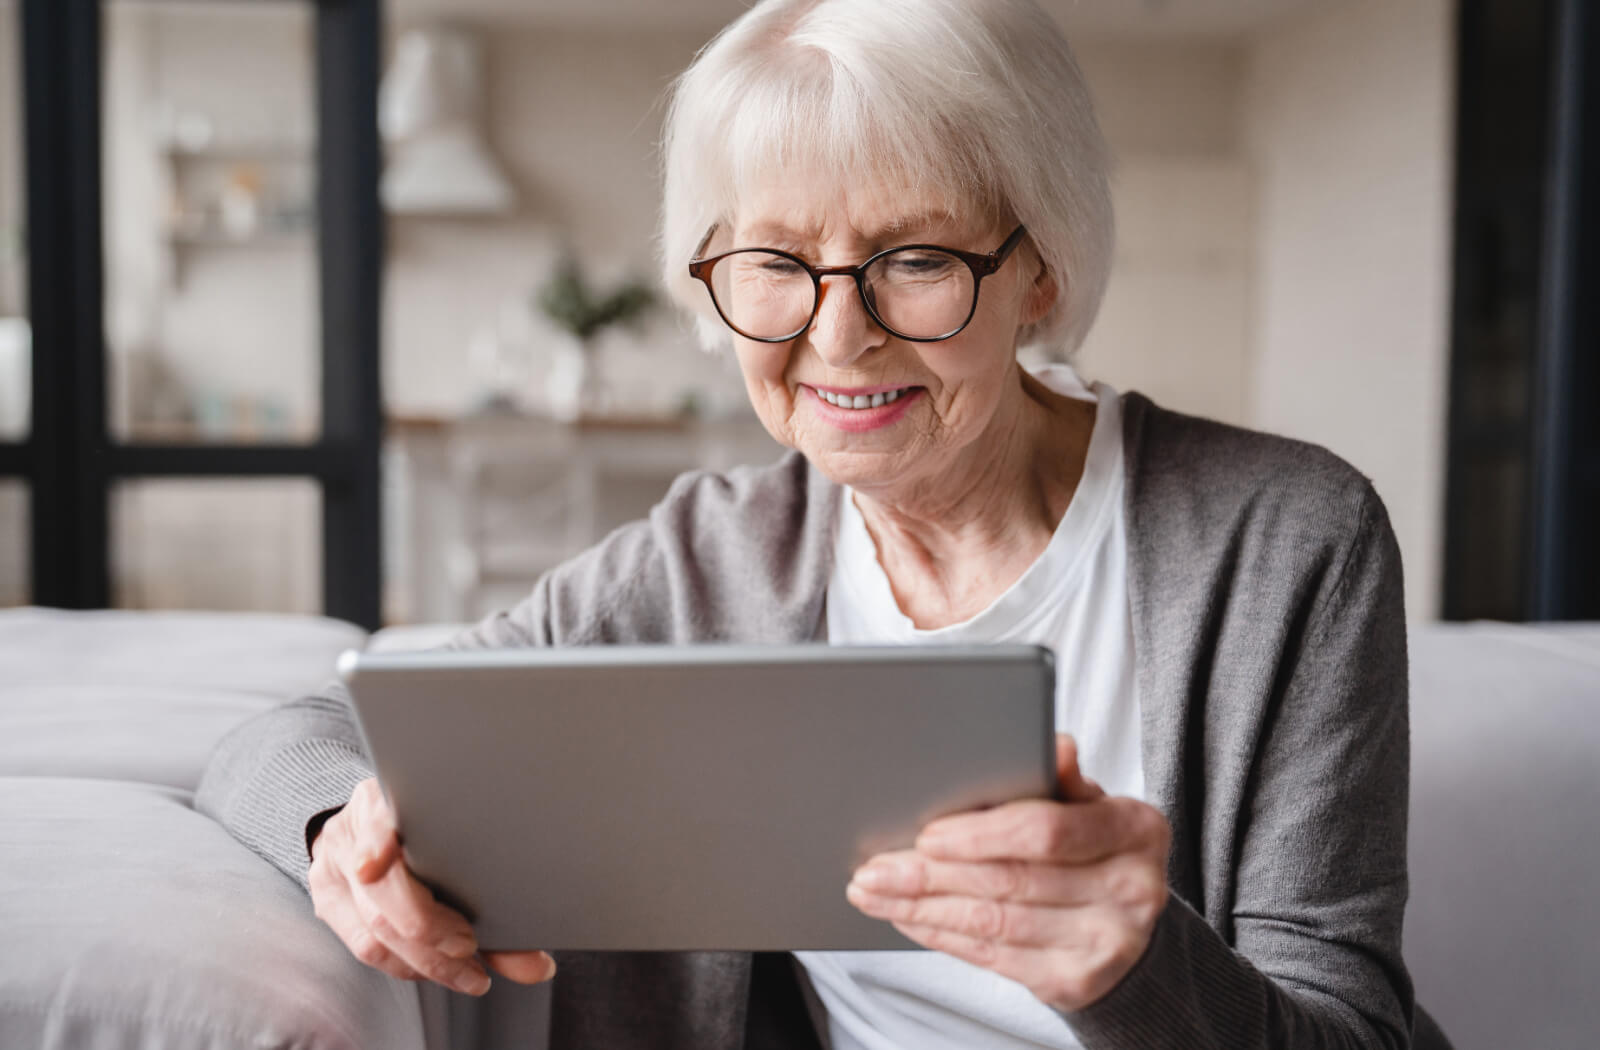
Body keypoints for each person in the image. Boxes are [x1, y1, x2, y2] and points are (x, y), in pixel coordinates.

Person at [198, 1, 1436, 1047]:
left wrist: (1131, 964)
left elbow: (1348, 1026)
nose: (836, 337)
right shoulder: (704, 559)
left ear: (1040, 269)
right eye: (775, 264)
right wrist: (341, 834)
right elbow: (285, 739)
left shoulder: (1288, 541)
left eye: (914, 259)